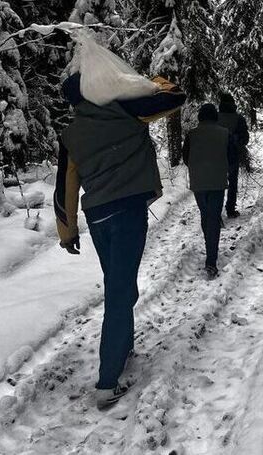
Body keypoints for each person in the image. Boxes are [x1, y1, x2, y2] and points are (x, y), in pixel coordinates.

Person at [54, 72, 186, 410]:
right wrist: (147, 81)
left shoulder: (71, 134)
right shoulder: (126, 110)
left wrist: (67, 233)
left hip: (98, 217)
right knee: (118, 292)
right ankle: (107, 382)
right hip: (128, 212)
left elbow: (65, 187)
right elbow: (175, 97)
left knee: (120, 284)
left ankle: (122, 344)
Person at [183, 103, 237, 280]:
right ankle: (211, 260)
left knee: (206, 214)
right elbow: (232, 158)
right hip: (217, 181)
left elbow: (186, 157)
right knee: (213, 217)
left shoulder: (191, 134)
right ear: (215, 116)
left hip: (199, 182)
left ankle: (210, 248)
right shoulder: (225, 133)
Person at [217, 92, 250, 218]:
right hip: (233, 156)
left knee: (218, 184)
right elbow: (245, 139)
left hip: (216, 156)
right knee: (233, 183)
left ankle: (216, 211)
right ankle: (230, 209)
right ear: (233, 103)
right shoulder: (238, 118)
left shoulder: (215, 117)